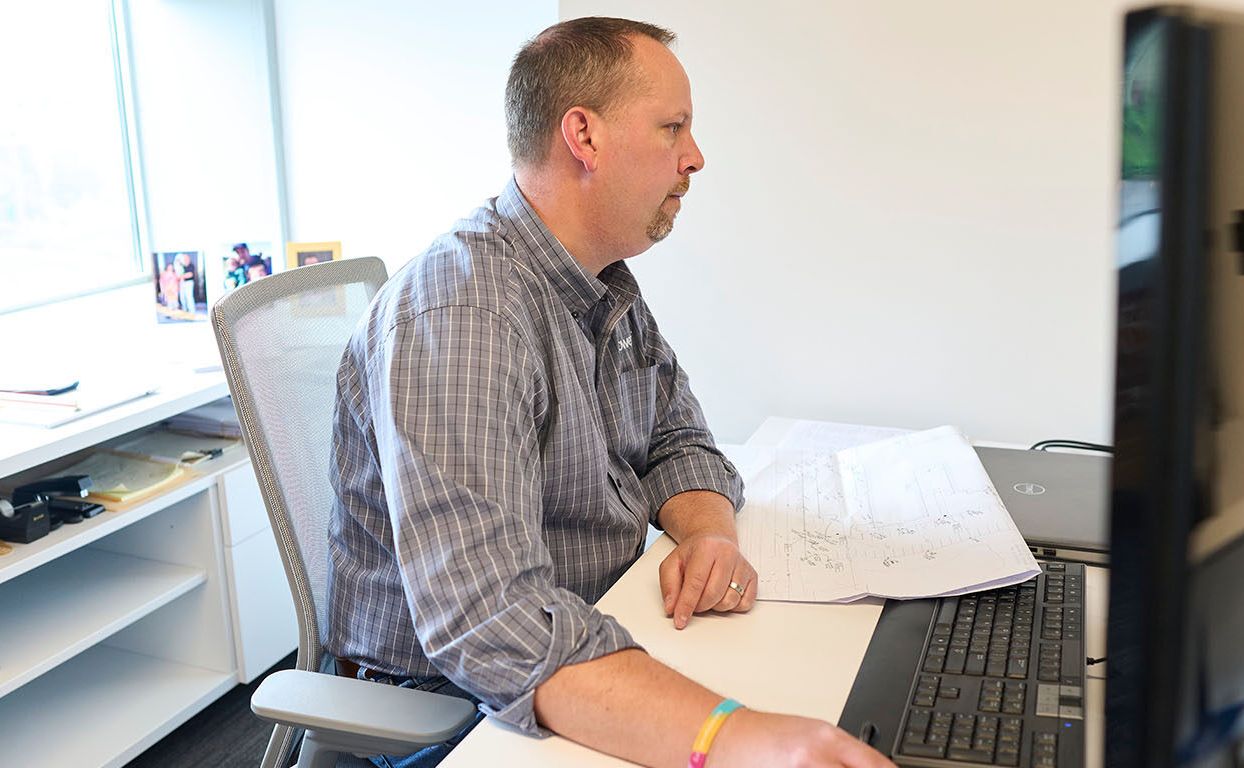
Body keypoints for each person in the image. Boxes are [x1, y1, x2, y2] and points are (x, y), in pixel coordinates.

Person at [326, 17, 894, 768]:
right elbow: (493, 626)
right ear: (583, 137)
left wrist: (708, 535)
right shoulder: (463, 315)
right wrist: (735, 736)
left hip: (591, 630)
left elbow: (677, 436)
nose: (695, 157)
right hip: (452, 712)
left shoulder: (600, 286)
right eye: (672, 128)